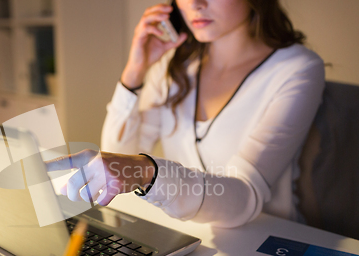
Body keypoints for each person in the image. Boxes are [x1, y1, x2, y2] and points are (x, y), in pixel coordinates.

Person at [46, 0, 325, 228]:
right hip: (183, 234)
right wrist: (134, 74)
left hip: (264, 239)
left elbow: (244, 197)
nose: (194, 4)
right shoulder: (175, 65)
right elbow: (119, 155)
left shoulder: (297, 69)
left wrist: (147, 172)